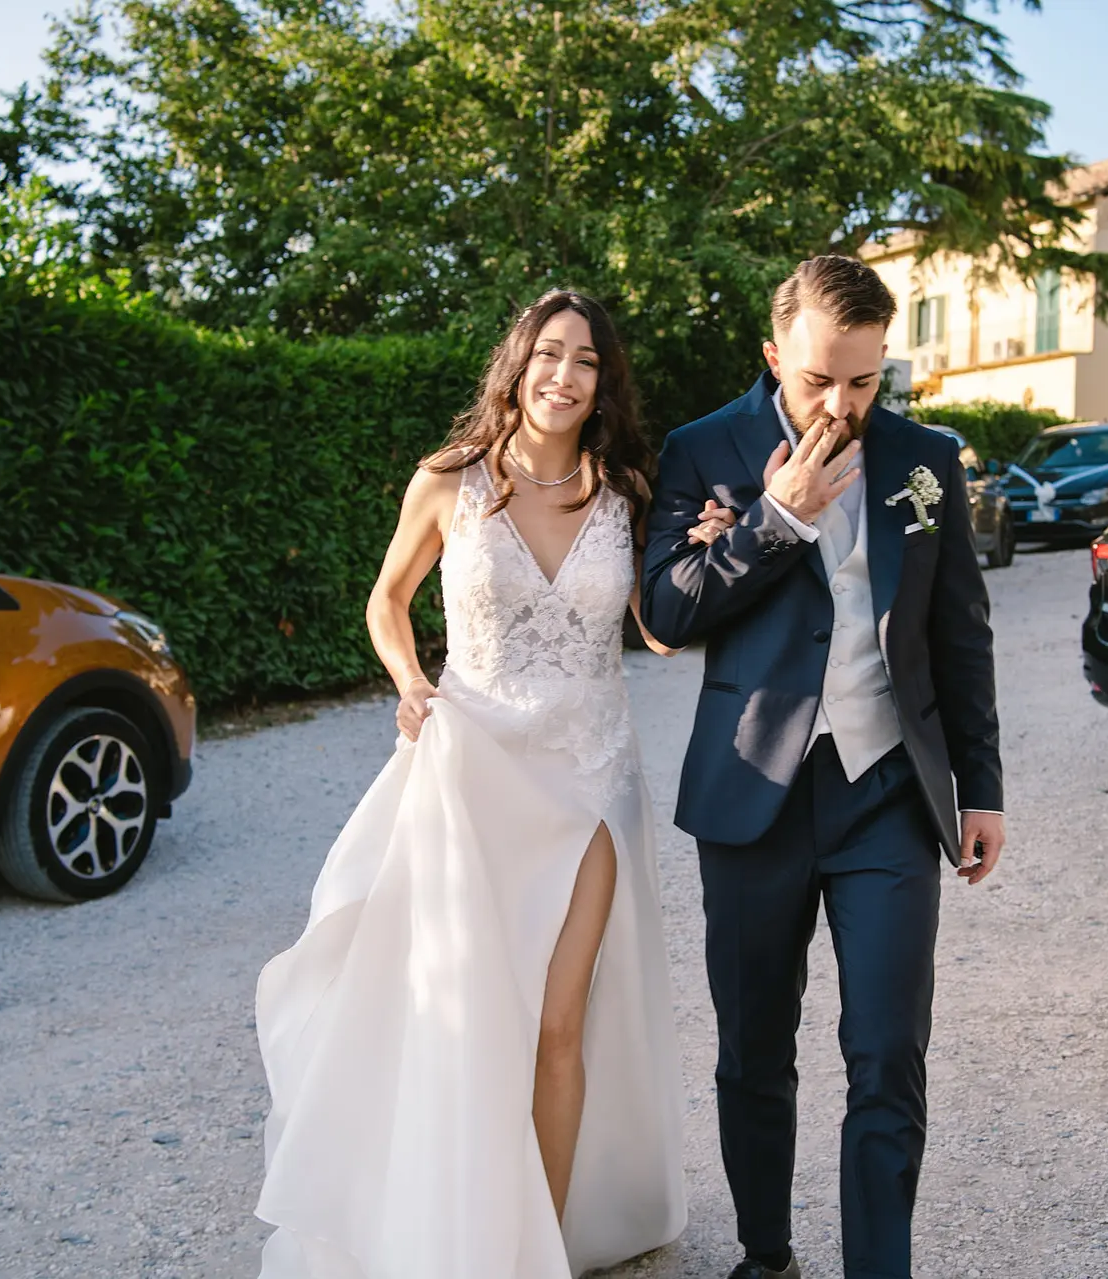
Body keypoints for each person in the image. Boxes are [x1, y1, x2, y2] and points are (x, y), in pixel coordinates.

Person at [253, 290, 723, 1278]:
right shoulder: (447, 480)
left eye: (585, 361)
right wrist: (410, 680)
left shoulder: (626, 492)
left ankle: (538, 1243)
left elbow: (657, 631)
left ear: (604, 383)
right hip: (470, 774)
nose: (563, 375)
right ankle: (451, 1224)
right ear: (516, 365)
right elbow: (387, 600)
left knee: (561, 1023)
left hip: (592, 779)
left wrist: (715, 551)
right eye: (548, 354)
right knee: (468, 1019)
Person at [641, 255, 1007, 1279]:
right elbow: (666, 611)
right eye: (818, 381)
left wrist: (982, 787)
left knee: (888, 1054)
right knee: (754, 1052)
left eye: (864, 379)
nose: (842, 404)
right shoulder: (701, 449)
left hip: (888, 794)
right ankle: (768, 1257)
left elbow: (959, 633)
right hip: (751, 793)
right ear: (773, 356)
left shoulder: (926, 454)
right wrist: (776, 520)